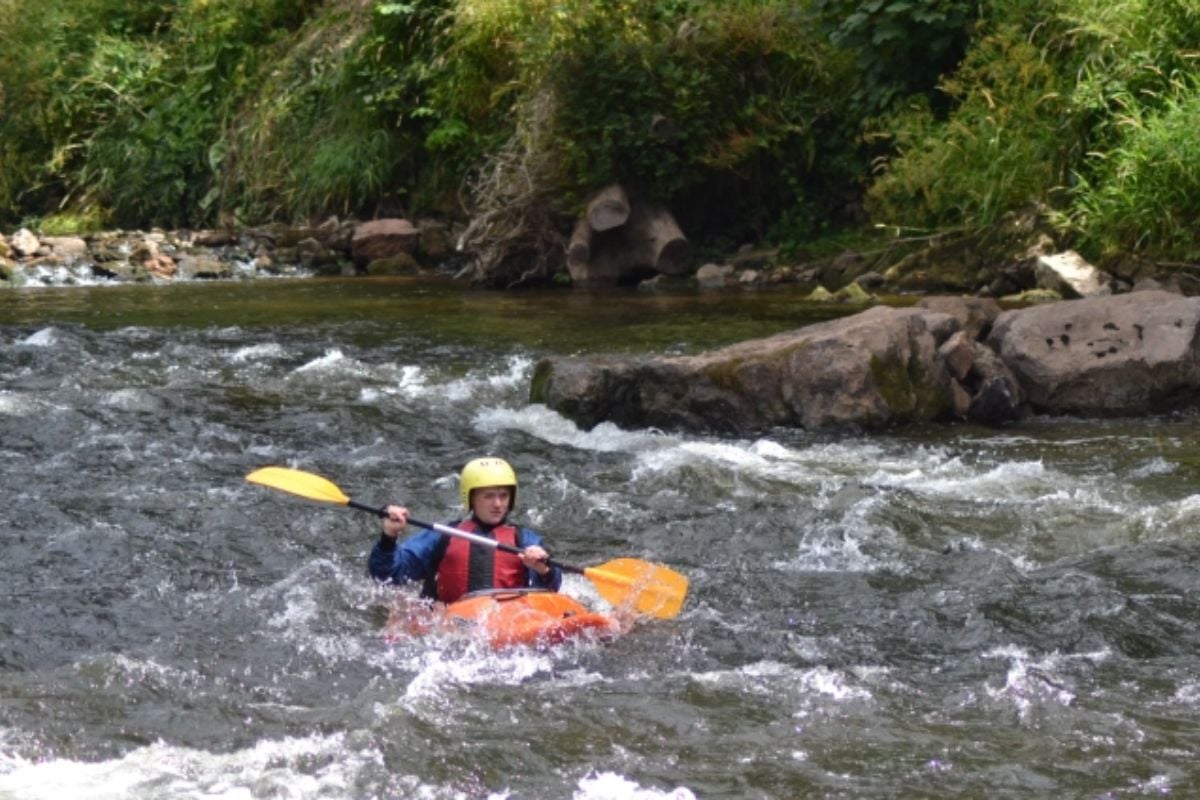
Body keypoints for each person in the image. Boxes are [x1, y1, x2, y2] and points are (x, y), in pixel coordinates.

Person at [367, 457, 562, 603]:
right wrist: (389, 537)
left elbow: (550, 589)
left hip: (505, 621)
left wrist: (544, 569)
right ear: (470, 498)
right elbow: (387, 576)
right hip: (451, 625)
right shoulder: (442, 536)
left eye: (503, 496)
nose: (497, 504)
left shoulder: (525, 539)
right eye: (489, 496)